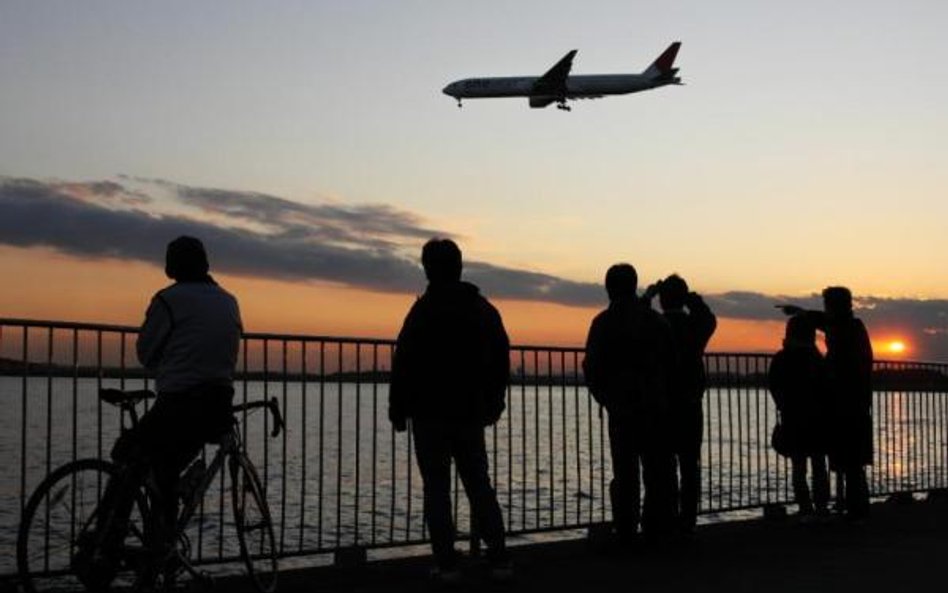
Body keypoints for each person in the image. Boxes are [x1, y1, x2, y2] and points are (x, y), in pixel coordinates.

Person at [78, 236, 242, 588]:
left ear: (174, 266)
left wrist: (171, 361)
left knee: (126, 454)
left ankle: (109, 544)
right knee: (165, 467)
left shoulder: (168, 300)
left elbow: (146, 354)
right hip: (217, 406)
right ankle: (162, 544)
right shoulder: (230, 302)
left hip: (179, 403)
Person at [389, 238, 511, 582]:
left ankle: (446, 564)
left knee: (437, 488)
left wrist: (398, 409)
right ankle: (499, 558)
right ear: (459, 266)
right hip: (470, 411)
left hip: (429, 413)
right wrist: (495, 400)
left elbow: (404, 363)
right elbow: (501, 357)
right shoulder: (482, 309)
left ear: (428, 269)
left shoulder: (422, 311)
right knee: (479, 484)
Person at [583, 263, 677, 543]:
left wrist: (605, 397)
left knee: (625, 474)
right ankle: (656, 530)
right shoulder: (658, 322)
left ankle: (625, 531)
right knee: (656, 471)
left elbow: (592, 366)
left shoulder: (603, 323)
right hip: (655, 407)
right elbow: (672, 364)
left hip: (621, 409)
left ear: (610, 288)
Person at [780, 286, 873, 519]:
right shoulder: (849, 325)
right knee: (850, 460)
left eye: (826, 305)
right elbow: (824, 321)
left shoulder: (847, 328)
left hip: (848, 402)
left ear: (833, 306)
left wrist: (802, 314)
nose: (825, 310)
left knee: (850, 460)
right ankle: (854, 506)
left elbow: (826, 324)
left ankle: (855, 509)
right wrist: (802, 312)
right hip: (852, 402)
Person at [649, 274, 716, 534]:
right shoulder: (694, 326)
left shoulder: (655, 324)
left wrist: (648, 296)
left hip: (661, 404)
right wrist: (693, 299)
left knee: (663, 465)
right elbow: (709, 318)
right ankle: (687, 520)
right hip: (690, 403)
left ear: (662, 300)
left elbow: (639, 318)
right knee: (690, 464)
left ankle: (665, 517)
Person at [768, 314, 830, 516]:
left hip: (793, 417)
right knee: (819, 465)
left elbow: (774, 385)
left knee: (798, 466)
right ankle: (821, 507)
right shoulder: (818, 360)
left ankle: (805, 508)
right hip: (819, 418)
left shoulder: (782, 358)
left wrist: (783, 404)